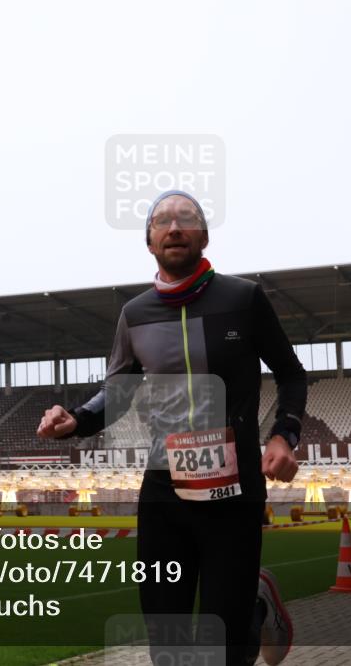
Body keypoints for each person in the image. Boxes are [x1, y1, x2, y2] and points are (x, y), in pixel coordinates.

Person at [36, 190, 307, 666]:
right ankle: (251, 604)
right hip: (164, 493)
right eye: (161, 221)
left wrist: (284, 434)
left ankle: (255, 606)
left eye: (187, 218)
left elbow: (290, 372)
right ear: (149, 242)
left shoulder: (243, 299)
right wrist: (75, 420)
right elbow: (116, 392)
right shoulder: (134, 315)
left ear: (203, 235)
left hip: (234, 491)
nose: (174, 226)